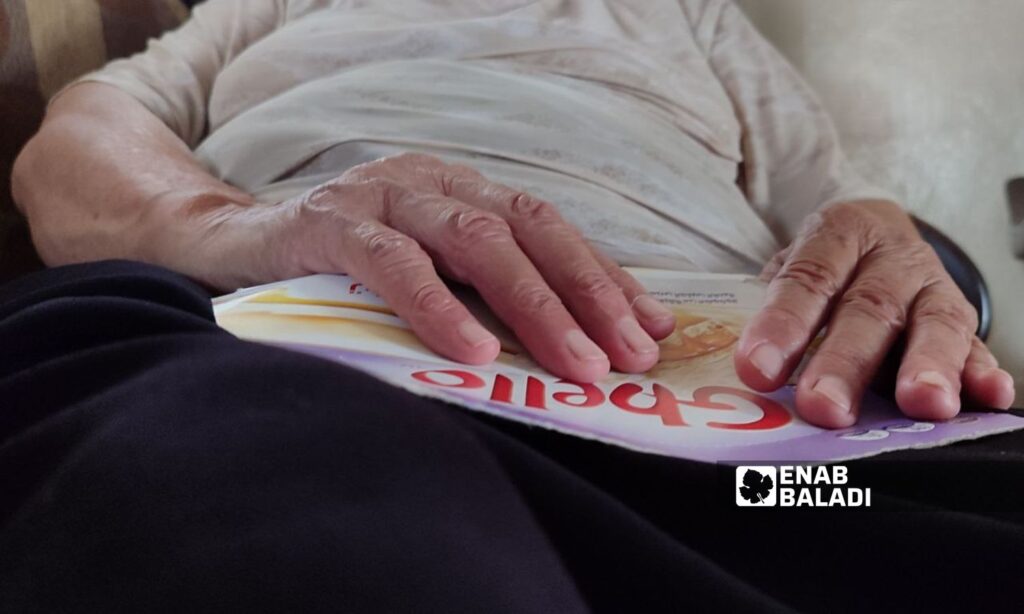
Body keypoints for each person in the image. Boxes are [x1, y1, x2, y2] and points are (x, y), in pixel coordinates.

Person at [3, 1, 1021, 611]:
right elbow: (74, 140)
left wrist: (889, 251)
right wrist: (231, 223)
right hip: (294, 340)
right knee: (267, 487)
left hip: (738, 430)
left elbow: (840, 210)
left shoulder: (687, 14)